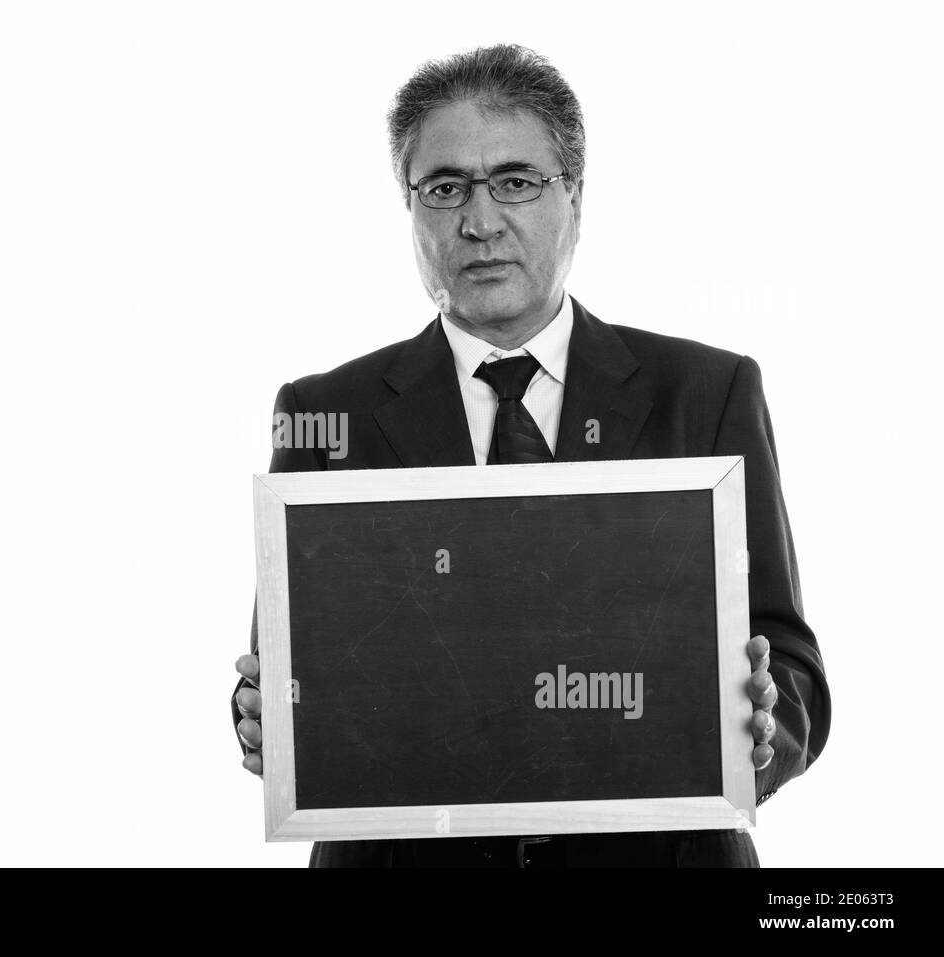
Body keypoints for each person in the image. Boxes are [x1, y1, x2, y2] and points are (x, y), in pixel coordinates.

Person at [231, 43, 830, 867]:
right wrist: (264, 715)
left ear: (574, 197)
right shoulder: (323, 412)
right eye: (444, 189)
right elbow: (284, 670)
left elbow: (790, 662)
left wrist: (763, 727)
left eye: (515, 181)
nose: (480, 221)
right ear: (409, 207)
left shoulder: (707, 391)